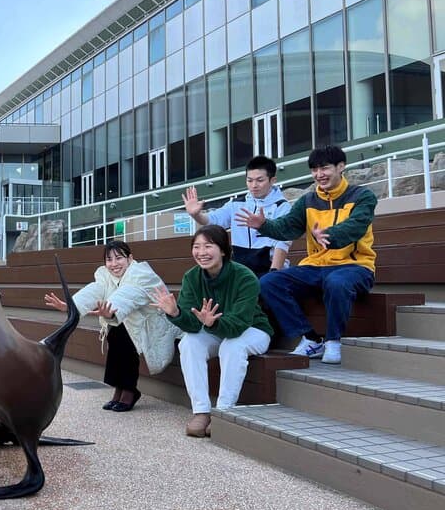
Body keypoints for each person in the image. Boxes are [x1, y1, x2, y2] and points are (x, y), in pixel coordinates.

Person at [236, 145, 377, 365]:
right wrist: (264, 225)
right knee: (270, 282)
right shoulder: (308, 200)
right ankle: (311, 338)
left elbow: (356, 226)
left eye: (325, 168)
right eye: (314, 170)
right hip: (316, 266)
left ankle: (333, 341)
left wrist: (328, 235)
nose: (319, 174)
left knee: (336, 282)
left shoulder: (363, 196)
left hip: (355, 266)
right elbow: (288, 227)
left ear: (341, 167)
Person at [152, 225, 273, 438]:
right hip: (215, 330)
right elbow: (191, 324)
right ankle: (201, 411)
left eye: (208, 246)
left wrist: (213, 324)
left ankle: (224, 411)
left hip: (253, 330)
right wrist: (175, 312)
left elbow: (239, 324)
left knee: (232, 345)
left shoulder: (245, 276)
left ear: (223, 250)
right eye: (196, 246)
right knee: (189, 343)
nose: (201, 252)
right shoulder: (192, 277)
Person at [44, 241, 180, 412]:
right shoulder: (106, 276)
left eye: (119, 258)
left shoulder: (142, 274)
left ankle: (129, 390)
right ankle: (119, 388)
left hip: (153, 325)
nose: (114, 264)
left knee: (123, 334)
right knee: (116, 332)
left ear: (130, 258)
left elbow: (129, 295)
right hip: (127, 321)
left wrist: (111, 310)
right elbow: (95, 290)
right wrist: (71, 306)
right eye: (109, 259)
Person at [182, 155, 291, 277]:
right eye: (249, 180)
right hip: (240, 272)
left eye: (260, 180)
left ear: (272, 180)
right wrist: (196, 214)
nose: (254, 185)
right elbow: (212, 220)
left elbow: (282, 243)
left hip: (268, 270)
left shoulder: (282, 206)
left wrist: (273, 274)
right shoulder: (236, 204)